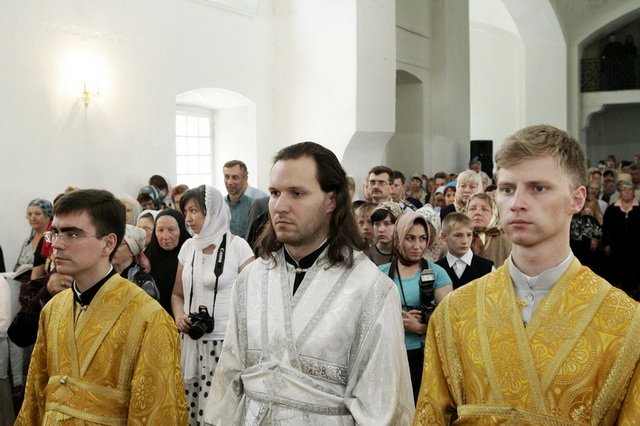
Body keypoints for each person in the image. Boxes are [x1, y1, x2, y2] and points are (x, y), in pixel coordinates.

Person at [414, 125, 640, 424]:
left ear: (577, 199)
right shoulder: (454, 313)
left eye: (538, 188)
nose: (517, 203)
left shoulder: (626, 323)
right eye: (507, 189)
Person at [204, 142, 414, 424]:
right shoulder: (250, 280)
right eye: (275, 193)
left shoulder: (370, 289)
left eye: (297, 193)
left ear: (331, 200)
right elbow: (228, 382)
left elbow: (382, 405)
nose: (280, 207)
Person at [15, 189, 187, 424]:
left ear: (108, 244)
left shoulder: (149, 317)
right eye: (54, 233)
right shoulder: (53, 309)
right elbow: (34, 399)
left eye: (72, 234)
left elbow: (157, 413)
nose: (57, 245)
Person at [171, 185, 254, 425]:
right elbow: (177, 293)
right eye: (186, 212)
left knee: (221, 411)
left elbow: (254, 295)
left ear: (214, 212)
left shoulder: (238, 246)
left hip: (225, 343)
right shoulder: (188, 247)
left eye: (194, 211)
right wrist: (179, 315)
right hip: (191, 341)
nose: (188, 218)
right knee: (190, 407)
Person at [379, 211, 452, 402]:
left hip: (424, 357)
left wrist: (420, 328)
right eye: (410, 238)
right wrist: (395, 320)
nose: (417, 246)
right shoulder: (380, 274)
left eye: (422, 238)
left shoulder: (438, 274)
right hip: (388, 356)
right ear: (398, 238)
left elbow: (450, 321)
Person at [145, 209, 190, 315]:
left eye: (171, 230)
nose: (165, 236)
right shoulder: (145, 260)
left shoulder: (193, 257)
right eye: (160, 230)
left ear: (181, 230)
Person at [601, 180, 640, 299]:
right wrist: (606, 244)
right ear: (620, 192)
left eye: (629, 189)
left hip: (636, 252)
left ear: (634, 192)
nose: (627, 192)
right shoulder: (611, 209)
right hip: (615, 251)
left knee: (634, 282)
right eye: (624, 189)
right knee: (616, 280)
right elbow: (605, 228)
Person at [436, 212, 494, 289]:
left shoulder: (488, 268)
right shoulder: (436, 269)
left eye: (469, 235)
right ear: (444, 236)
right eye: (458, 235)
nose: (465, 241)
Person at [111, 224, 160, 299]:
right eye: (112, 243)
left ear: (132, 251)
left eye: (119, 244)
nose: (112, 248)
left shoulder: (144, 281)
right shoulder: (104, 274)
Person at [467, 192, 512, 267]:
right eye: (472, 209)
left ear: (493, 214)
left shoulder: (505, 239)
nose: (477, 213)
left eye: (484, 209)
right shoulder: (457, 237)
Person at [365, 201, 404, 266]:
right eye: (377, 224)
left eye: (387, 224)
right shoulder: (366, 256)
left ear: (398, 225)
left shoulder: (405, 255)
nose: (381, 229)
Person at [223, 160, 255, 237]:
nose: (229, 182)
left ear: (245, 178)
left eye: (235, 177)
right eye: (227, 177)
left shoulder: (253, 206)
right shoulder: (219, 206)